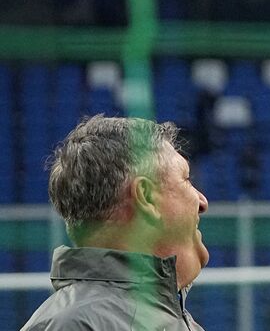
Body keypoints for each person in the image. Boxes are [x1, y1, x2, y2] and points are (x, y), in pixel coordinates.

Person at [22, 115, 210, 330]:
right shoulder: (73, 325)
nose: (202, 201)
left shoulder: (176, 321)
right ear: (147, 197)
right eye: (186, 179)